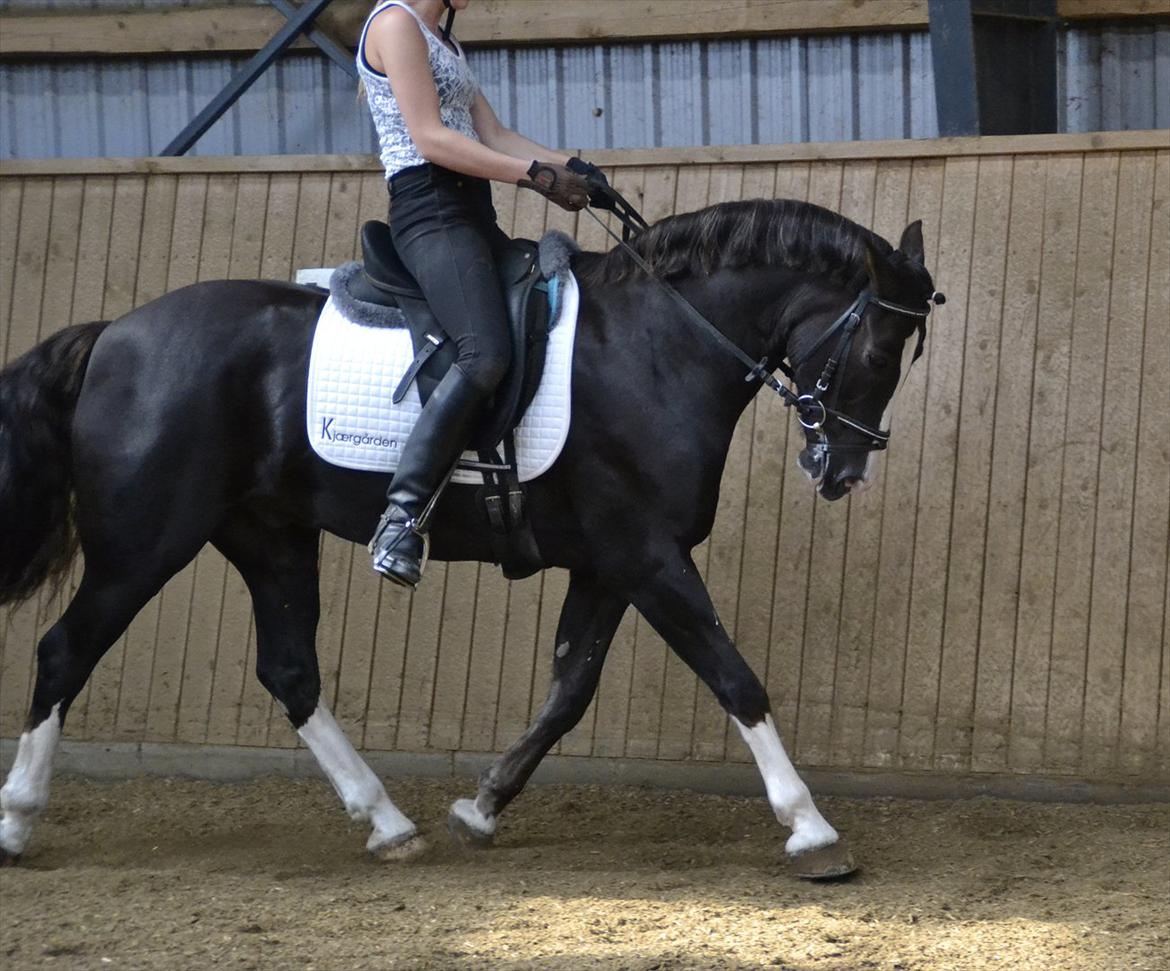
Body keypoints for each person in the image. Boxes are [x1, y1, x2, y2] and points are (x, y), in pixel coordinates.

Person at [358, 0, 601, 588]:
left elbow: (493, 133)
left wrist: (571, 166)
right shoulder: (394, 24)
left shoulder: (443, 40)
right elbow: (431, 138)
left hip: (473, 213)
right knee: (484, 351)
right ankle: (402, 514)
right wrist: (533, 177)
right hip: (431, 211)